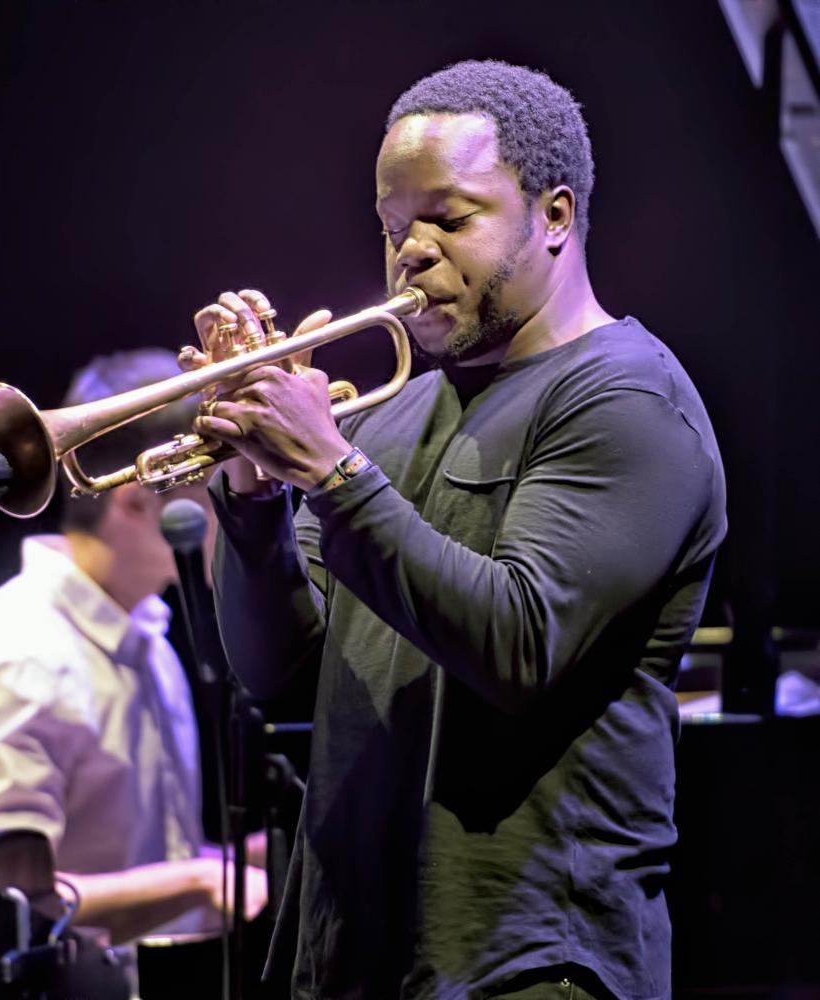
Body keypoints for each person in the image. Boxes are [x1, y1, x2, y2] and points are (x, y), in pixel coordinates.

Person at [187, 61, 726, 999]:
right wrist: (252, 487)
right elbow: (286, 671)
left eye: (450, 217)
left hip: (525, 961)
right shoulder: (391, 415)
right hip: (355, 954)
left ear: (553, 216)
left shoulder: (627, 400)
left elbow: (517, 645)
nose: (412, 252)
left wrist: (327, 469)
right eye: (395, 226)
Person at [0, 348, 266, 946]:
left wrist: (251, 858)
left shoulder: (144, 633)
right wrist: (202, 882)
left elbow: (128, 861)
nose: (242, 494)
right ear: (136, 499)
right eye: (222, 478)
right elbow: (5, 903)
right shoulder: (17, 659)